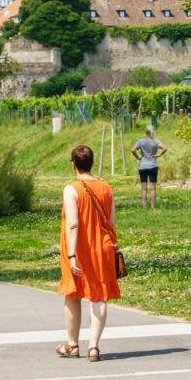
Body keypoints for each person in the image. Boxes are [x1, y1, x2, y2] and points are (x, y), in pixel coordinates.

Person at [56, 144, 120, 362]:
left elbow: (73, 224)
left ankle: (73, 345)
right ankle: (93, 347)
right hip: (102, 247)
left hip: (79, 249)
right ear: (92, 164)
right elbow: (111, 222)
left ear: (73, 165)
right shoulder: (106, 187)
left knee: (72, 294)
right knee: (99, 296)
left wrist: (72, 255)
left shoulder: (71, 189)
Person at [131, 125, 166, 209]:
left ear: (145, 132)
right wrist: (158, 155)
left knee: (143, 188)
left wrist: (138, 157)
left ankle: (144, 207)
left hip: (142, 166)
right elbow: (165, 148)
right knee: (153, 188)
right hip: (153, 165)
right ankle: (153, 207)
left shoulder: (140, 141)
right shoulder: (156, 141)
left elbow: (133, 150)